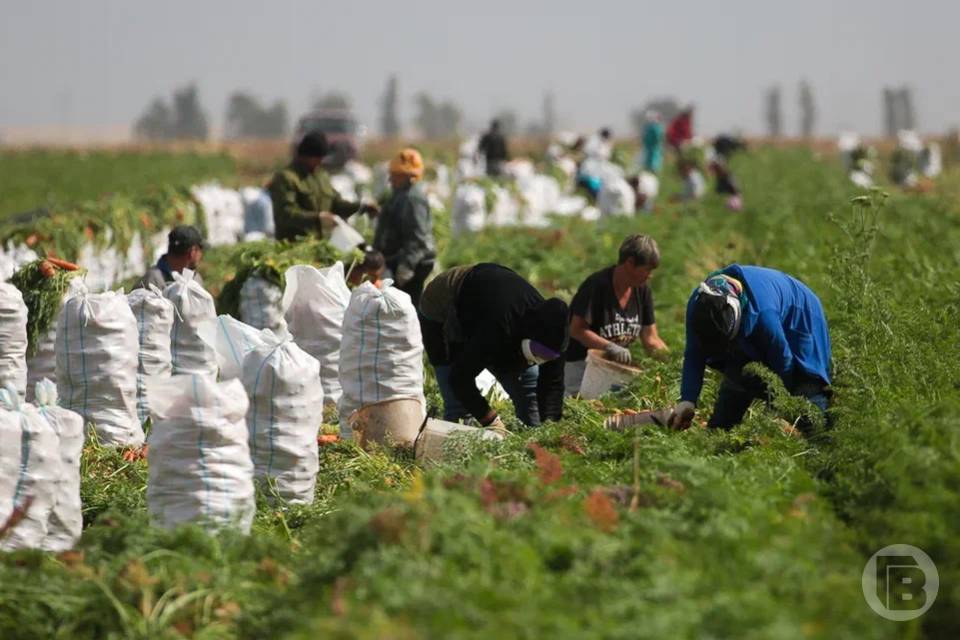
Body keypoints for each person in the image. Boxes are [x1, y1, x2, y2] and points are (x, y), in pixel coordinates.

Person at [667, 265, 832, 432]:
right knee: (737, 378)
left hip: (801, 316)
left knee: (807, 399)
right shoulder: (698, 306)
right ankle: (719, 434)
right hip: (761, 320)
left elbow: (783, 361)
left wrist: (779, 405)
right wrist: (687, 400)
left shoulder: (764, 315)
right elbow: (694, 354)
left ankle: (821, 438)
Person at [419, 263, 569, 428]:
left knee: (528, 389)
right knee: (459, 408)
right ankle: (456, 440)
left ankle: (533, 432)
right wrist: (491, 420)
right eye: (538, 352)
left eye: (546, 357)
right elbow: (459, 379)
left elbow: (552, 386)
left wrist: (550, 428)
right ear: (530, 338)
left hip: (494, 304)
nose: (540, 359)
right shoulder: (497, 329)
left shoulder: (555, 335)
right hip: (446, 300)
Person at [564, 235, 668, 395]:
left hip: (614, 369)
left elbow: (651, 338)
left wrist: (672, 364)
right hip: (581, 367)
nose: (650, 275)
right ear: (630, 263)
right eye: (647, 269)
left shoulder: (642, 291)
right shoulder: (597, 286)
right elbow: (576, 329)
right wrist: (609, 346)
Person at [267, 131, 378, 241]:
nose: (321, 162)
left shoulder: (321, 176)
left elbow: (337, 204)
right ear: (306, 156)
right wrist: (318, 218)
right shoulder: (286, 178)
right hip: (293, 246)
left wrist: (361, 207)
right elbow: (286, 214)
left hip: (320, 244)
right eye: (318, 158)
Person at [372, 148, 436, 306]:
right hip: (401, 259)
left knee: (407, 307)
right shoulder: (401, 194)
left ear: (409, 177)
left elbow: (417, 237)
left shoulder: (413, 198)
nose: (391, 179)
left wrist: (405, 268)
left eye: (395, 176)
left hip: (412, 263)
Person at [139, 225, 205, 290]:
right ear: (192, 252)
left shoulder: (195, 279)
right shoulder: (153, 280)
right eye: (200, 249)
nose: (201, 255)